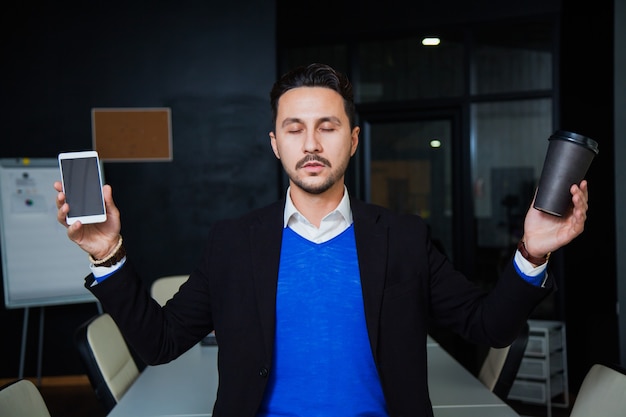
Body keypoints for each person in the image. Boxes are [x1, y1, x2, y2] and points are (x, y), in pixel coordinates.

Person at [54, 63, 589, 417]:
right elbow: (160, 342)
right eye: (294, 128)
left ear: (353, 140)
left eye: (327, 126)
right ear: (274, 143)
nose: (310, 143)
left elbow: (488, 326)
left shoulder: (403, 238)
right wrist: (108, 254)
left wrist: (533, 251)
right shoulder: (233, 243)